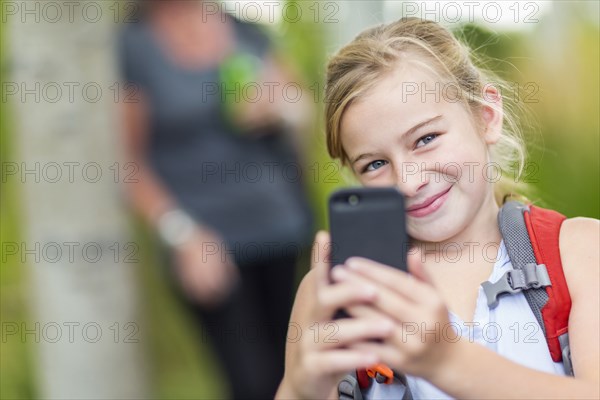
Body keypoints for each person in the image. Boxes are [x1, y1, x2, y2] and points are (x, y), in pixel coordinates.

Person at [275, 17, 599, 399]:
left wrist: (447, 361)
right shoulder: (336, 292)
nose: (409, 181)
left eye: (426, 138)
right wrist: (302, 388)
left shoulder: (579, 252)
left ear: (486, 117)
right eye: (375, 164)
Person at [118, 1, 313, 398]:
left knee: (299, 371)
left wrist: (279, 109)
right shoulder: (134, 47)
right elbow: (128, 165)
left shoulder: (245, 31)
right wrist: (182, 235)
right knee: (250, 382)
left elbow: (303, 109)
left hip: (281, 228)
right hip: (206, 244)